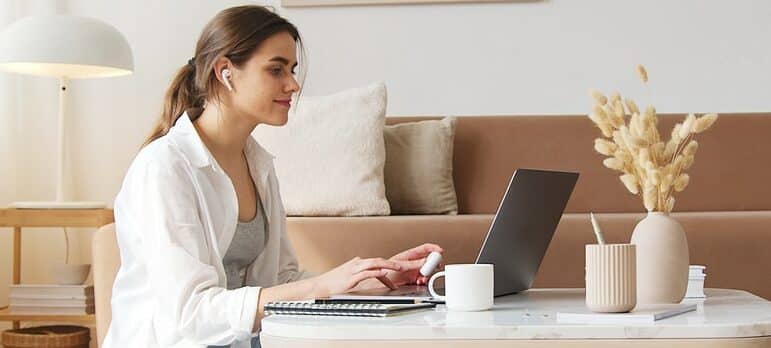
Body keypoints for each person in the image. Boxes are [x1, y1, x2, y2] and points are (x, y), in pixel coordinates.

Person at [103, 5, 443, 348]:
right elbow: (191, 314)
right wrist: (323, 285)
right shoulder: (165, 168)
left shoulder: (258, 165)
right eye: (276, 69)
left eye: (292, 69)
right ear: (225, 72)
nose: (293, 84)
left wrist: (374, 280)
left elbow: (283, 280)